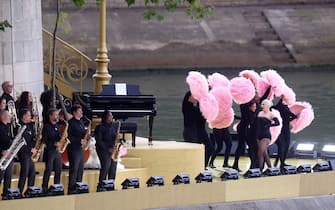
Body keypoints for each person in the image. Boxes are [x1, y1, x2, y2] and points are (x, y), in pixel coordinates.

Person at [182, 91, 213, 168]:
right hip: (190, 131)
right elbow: (189, 96)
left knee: (210, 148)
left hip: (201, 132)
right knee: (194, 150)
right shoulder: (187, 108)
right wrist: (198, 91)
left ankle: (203, 167)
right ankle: (192, 167)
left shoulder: (201, 109)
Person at [95, 110, 117, 192]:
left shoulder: (113, 126)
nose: (112, 117)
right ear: (106, 117)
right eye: (110, 116)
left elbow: (114, 137)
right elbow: (99, 141)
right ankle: (101, 185)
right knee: (106, 166)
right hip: (103, 150)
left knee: (113, 167)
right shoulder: (100, 127)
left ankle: (110, 185)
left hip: (112, 150)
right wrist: (108, 149)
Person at [272, 96, 297, 169]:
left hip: (280, 128)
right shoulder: (283, 108)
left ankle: (279, 160)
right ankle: (282, 163)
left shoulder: (277, 107)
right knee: (284, 145)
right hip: (284, 129)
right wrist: (288, 120)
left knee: (282, 145)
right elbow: (293, 116)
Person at [41, 108, 62, 193]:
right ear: (50, 116)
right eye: (55, 115)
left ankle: (56, 187)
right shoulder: (46, 127)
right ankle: (44, 188)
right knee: (48, 170)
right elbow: (44, 141)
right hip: (49, 151)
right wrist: (54, 143)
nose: (57, 116)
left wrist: (61, 141)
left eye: (57, 115)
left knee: (58, 169)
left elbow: (59, 137)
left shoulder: (57, 126)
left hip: (57, 151)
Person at [67, 104, 86, 194]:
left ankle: (79, 186)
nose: (81, 112)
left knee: (80, 169)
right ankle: (71, 188)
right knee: (74, 169)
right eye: (79, 111)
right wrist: (79, 140)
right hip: (74, 148)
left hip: (80, 149)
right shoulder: (71, 122)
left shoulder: (81, 122)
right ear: (74, 112)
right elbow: (69, 137)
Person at [256, 99, 280, 171]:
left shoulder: (271, 114)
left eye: (263, 104)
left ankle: (260, 170)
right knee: (265, 154)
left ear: (268, 106)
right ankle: (270, 168)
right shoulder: (259, 113)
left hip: (266, 136)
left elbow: (277, 123)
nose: (262, 105)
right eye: (262, 104)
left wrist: (269, 125)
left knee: (260, 153)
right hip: (258, 135)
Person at [17, 109, 36, 194]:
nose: (30, 117)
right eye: (28, 115)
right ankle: (19, 192)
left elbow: (31, 139)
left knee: (32, 172)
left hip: (29, 153)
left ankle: (30, 191)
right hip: (23, 153)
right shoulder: (19, 126)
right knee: (24, 172)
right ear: (24, 116)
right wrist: (29, 149)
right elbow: (18, 143)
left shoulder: (29, 126)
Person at [0, 110, 14, 199]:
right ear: (3, 116)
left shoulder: (8, 127)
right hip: (1, 156)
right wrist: (1, 151)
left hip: (8, 157)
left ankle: (6, 195)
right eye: (8, 116)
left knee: (8, 177)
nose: (10, 117)